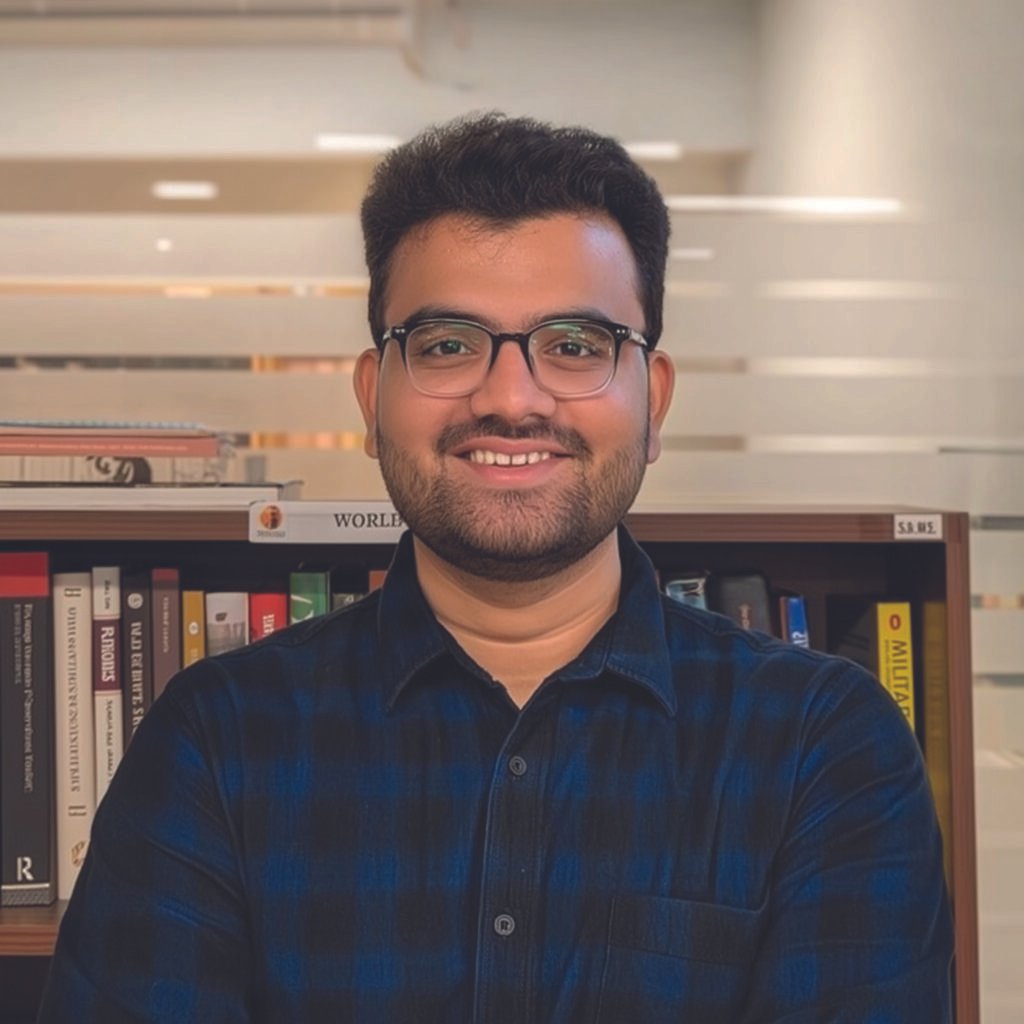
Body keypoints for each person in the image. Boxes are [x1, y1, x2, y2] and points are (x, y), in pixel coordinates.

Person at [39, 112, 953, 1023]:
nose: (511, 399)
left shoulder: (822, 746)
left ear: (653, 399)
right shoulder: (219, 739)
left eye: (575, 346)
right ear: (373, 396)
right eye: (447, 344)